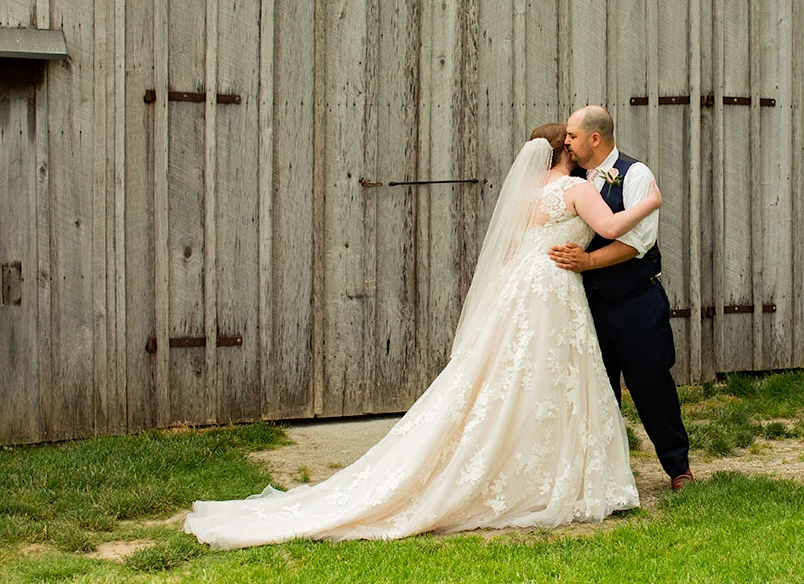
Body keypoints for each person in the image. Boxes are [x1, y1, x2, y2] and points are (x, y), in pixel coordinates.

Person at [182, 123, 663, 549]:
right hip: (555, 287)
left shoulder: (528, 194)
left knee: (513, 376)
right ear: (564, 150)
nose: (579, 151)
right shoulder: (577, 190)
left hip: (522, 286)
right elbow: (610, 225)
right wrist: (651, 201)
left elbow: (515, 248)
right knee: (549, 377)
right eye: (573, 144)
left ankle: (525, 464)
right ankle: (549, 472)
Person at [548, 106, 694, 491]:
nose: (567, 143)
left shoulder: (635, 174)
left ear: (594, 139)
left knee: (651, 384)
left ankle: (678, 467)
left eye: (573, 137)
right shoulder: (571, 179)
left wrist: (587, 261)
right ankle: (607, 476)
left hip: (635, 302)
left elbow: (638, 242)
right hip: (587, 306)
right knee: (598, 390)